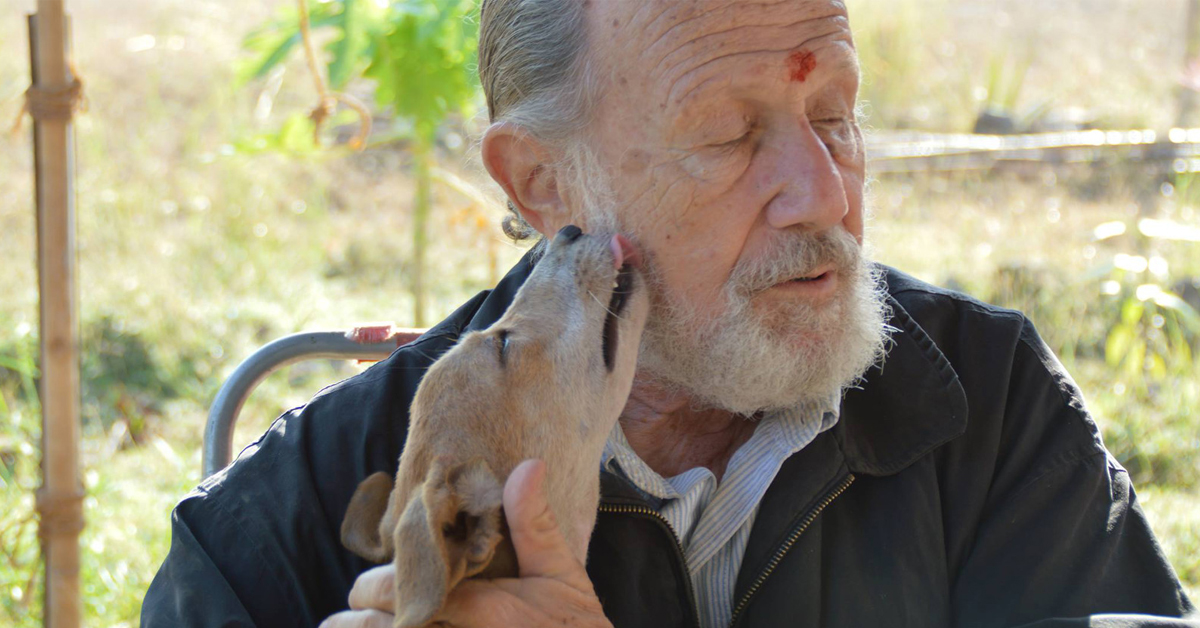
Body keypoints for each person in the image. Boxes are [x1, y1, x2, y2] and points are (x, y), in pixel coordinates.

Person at [142, 1, 1198, 627]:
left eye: (834, 115)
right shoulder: (267, 545)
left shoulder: (980, 405)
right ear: (546, 183)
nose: (826, 193)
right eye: (729, 138)